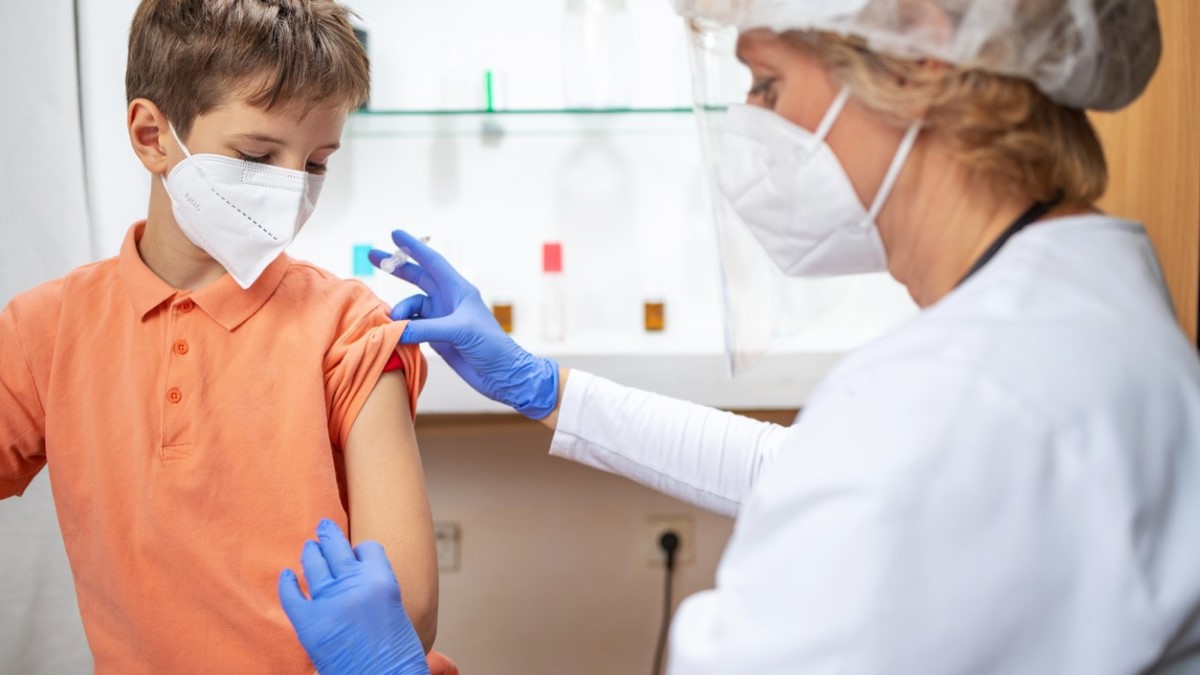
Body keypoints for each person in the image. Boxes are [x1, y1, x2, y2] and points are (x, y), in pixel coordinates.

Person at [279, 0, 1200, 672]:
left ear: (918, 58)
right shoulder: (1073, 315)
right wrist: (545, 386)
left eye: (767, 81)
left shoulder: (964, 398)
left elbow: (885, 476)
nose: (747, 125)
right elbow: (810, 476)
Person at [0, 0, 455, 672]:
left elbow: (406, 612)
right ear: (152, 136)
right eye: (256, 155)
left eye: (318, 162)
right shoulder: (48, 328)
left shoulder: (348, 328)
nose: (292, 188)